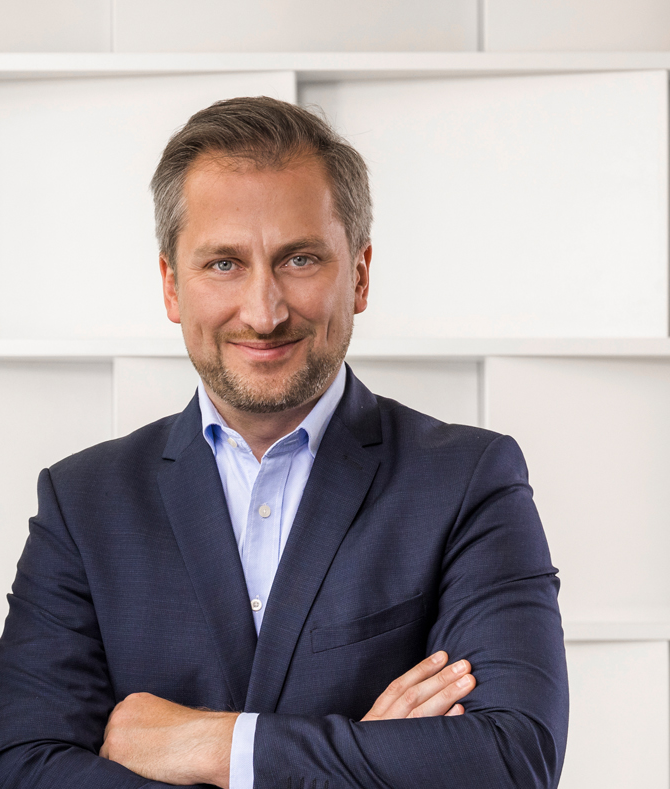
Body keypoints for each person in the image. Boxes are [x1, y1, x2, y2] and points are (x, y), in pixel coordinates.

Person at [0, 97, 568, 789]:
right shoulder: (82, 504)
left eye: (299, 259)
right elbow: (26, 767)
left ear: (358, 275)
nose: (264, 312)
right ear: (171, 285)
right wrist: (364, 752)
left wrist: (221, 746)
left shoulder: (470, 481)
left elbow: (511, 759)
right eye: (223, 264)